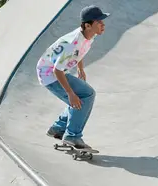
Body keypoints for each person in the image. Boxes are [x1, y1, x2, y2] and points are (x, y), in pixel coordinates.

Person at [36, 5, 110, 149]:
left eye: (103, 21)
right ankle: (72, 136)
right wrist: (70, 93)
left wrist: (80, 68)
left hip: (56, 70)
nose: (103, 25)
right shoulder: (73, 42)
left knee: (81, 96)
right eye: (99, 22)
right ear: (88, 25)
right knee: (85, 95)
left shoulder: (88, 35)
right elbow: (57, 70)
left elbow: (79, 53)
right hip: (50, 74)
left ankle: (58, 128)